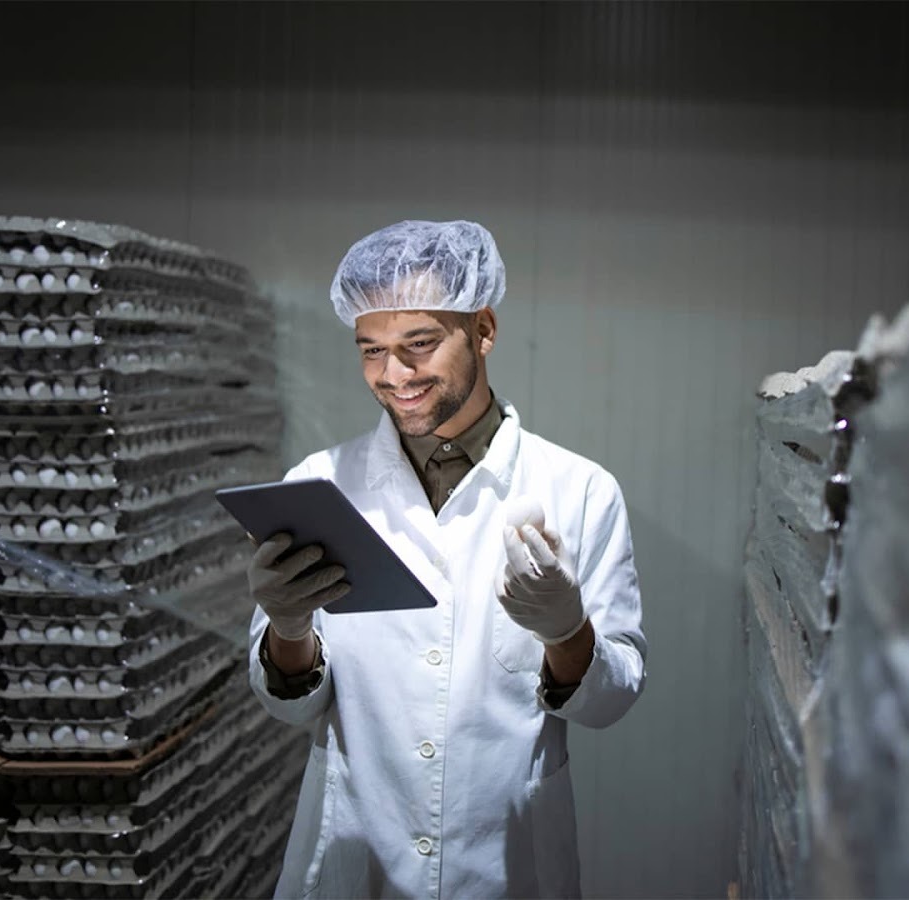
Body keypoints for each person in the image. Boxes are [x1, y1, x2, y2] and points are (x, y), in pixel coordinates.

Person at [246, 219, 647, 899]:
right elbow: (287, 707)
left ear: (483, 330)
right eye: (370, 349)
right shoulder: (320, 483)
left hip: (504, 865)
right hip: (353, 859)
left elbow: (611, 700)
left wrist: (566, 632)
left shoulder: (580, 490)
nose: (392, 375)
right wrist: (287, 629)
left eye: (419, 345)